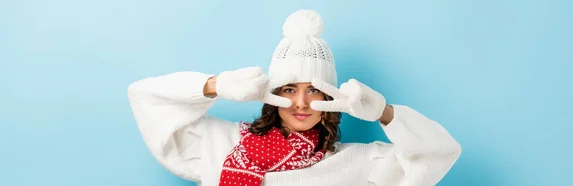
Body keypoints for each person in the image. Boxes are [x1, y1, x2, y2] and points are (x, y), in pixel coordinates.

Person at [128, 9, 462, 186]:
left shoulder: (357, 162)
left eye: (313, 89)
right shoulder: (219, 142)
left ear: (330, 96)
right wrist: (217, 85)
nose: (301, 103)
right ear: (271, 93)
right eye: (289, 89)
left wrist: (383, 112)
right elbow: (145, 98)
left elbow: (439, 156)